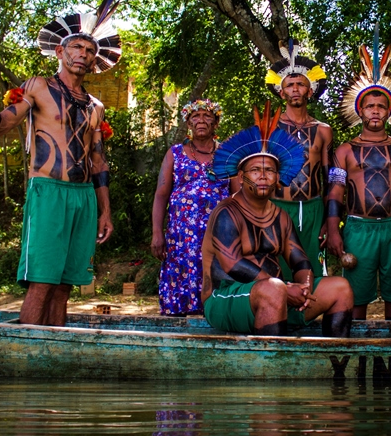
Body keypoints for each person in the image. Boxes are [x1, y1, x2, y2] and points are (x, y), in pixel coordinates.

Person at [0, 0, 121, 326]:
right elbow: (1, 124)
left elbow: (99, 163)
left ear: (94, 60)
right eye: (77, 47)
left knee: (65, 286)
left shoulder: (96, 106)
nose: (83, 54)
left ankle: (54, 353)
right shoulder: (38, 87)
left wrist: (105, 211)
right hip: (47, 191)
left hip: (84, 198)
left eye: (90, 50)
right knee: (43, 281)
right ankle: (24, 351)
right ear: (60, 51)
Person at [201, 103, 354, 336]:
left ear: (278, 177)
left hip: (276, 296)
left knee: (340, 287)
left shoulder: (280, 216)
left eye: (270, 171)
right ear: (241, 177)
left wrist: (303, 288)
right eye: (255, 171)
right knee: (274, 289)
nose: (263, 176)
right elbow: (231, 264)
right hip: (226, 298)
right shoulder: (226, 212)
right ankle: (272, 363)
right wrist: (283, 288)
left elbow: (300, 261)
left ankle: (332, 361)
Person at [325, 43, 391, 320]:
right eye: (370, 106)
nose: (375, 111)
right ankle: (356, 348)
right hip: (358, 228)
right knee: (355, 295)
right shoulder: (344, 150)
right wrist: (334, 231)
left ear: (389, 112)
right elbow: (335, 195)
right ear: (360, 111)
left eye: (381, 106)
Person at [150, 99, 230, 316]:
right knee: (182, 274)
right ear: (188, 122)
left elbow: (240, 194)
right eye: (196, 116)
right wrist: (157, 233)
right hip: (182, 235)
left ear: (216, 124)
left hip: (218, 232)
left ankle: (217, 315)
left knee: (216, 272)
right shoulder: (175, 153)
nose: (201, 120)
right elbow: (161, 195)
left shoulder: (227, 154)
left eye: (207, 116)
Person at [265, 39, 334, 278]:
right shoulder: (270, 129)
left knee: (312, 270)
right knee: (278, 270)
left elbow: (330, 178)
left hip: (313, 209)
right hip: (277, 207)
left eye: (301, 84)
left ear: (310, 90)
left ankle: (309, 314)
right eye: (290, 84)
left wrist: (329, 220)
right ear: (281, 91)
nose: (295, 89)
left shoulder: (323, 130)